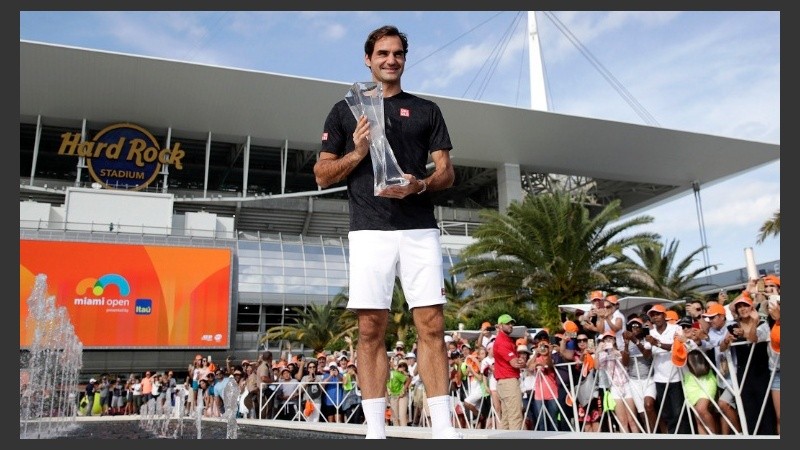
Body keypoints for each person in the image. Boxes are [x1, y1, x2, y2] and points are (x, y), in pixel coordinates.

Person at [314, 24, 458, 440]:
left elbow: (446, 171)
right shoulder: (345, 110)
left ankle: (443, 427)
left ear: (404, 59)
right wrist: (358, 152)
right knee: (369, 327)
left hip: (419, 228)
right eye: (382, 54)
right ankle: (375, 429)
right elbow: (322, 174)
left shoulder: (427, 109)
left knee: (431, 323)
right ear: (368, 59)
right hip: (369, 230)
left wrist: (423, 184)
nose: (390, 60)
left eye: (397, 53)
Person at [492, 314, 526, 430]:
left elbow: (516, 362)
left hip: (504, 382)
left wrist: (519, 361)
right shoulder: (502, 341)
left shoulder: (505, 340)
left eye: (511, 323)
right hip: (509, 382)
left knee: (506, 418)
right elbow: (515, 363)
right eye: (507, 323)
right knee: (515, 417)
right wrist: (521, 361)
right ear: (500, 326)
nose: (511, 325)